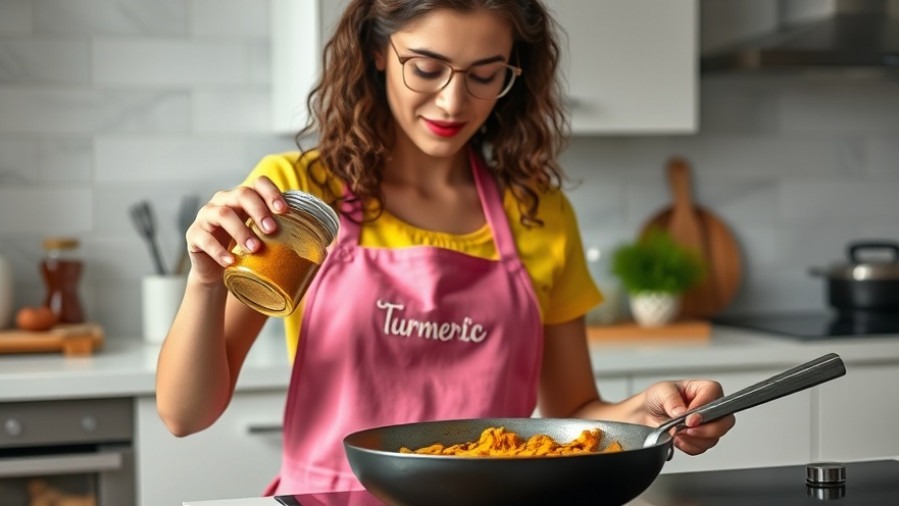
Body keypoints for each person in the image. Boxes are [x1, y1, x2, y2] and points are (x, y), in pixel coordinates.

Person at [155, 0, 736, 496]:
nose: (453, 103)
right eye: (427, 68)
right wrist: (205, 282)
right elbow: (186, 414)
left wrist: (653, 411)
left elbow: (576, 413)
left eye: (485, 75)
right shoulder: (303, 200)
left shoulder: (540, 213)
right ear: (378, 51)